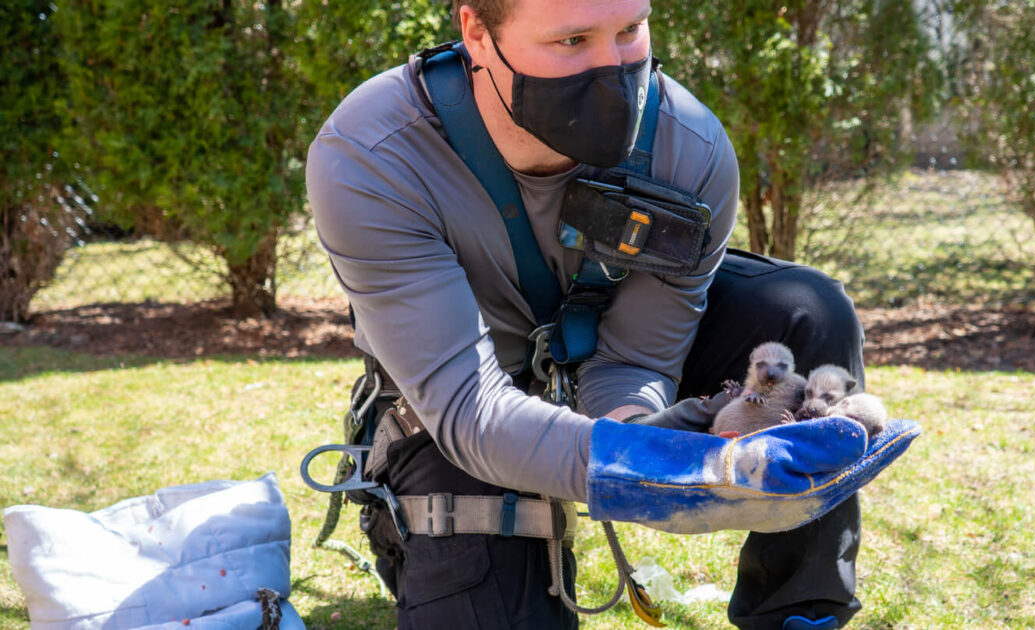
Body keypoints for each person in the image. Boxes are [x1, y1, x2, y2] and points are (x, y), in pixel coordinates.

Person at [306, 1, 915, 628]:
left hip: (594, 360)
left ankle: (799, 614)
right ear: (478, 36)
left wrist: (652, 427)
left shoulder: (689, 147)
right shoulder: (372, 156)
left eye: (629, 31)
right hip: (456, 408)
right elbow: (472, 412)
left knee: (804, 314)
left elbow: (637, 356)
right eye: (571, 40)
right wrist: (648, 465)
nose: (614, 68)